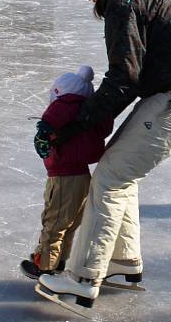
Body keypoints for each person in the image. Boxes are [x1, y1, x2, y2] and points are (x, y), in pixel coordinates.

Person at [33, 0, 171, 310]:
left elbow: (124, 77)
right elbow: (129, 77)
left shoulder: (123, 4)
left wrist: (80, 121)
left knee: (111, 177)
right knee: (119, 169)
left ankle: (81, 280)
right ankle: (122, 262)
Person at [22, 65, 113, 280]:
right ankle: (59, 260)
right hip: (82, 175)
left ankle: (44, 265)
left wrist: (43, 130)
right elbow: (104, 129)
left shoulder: (68, 105)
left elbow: (59, 110)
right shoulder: (86, 113)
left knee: (54, 222)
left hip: (64, 177)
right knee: (69, 223)